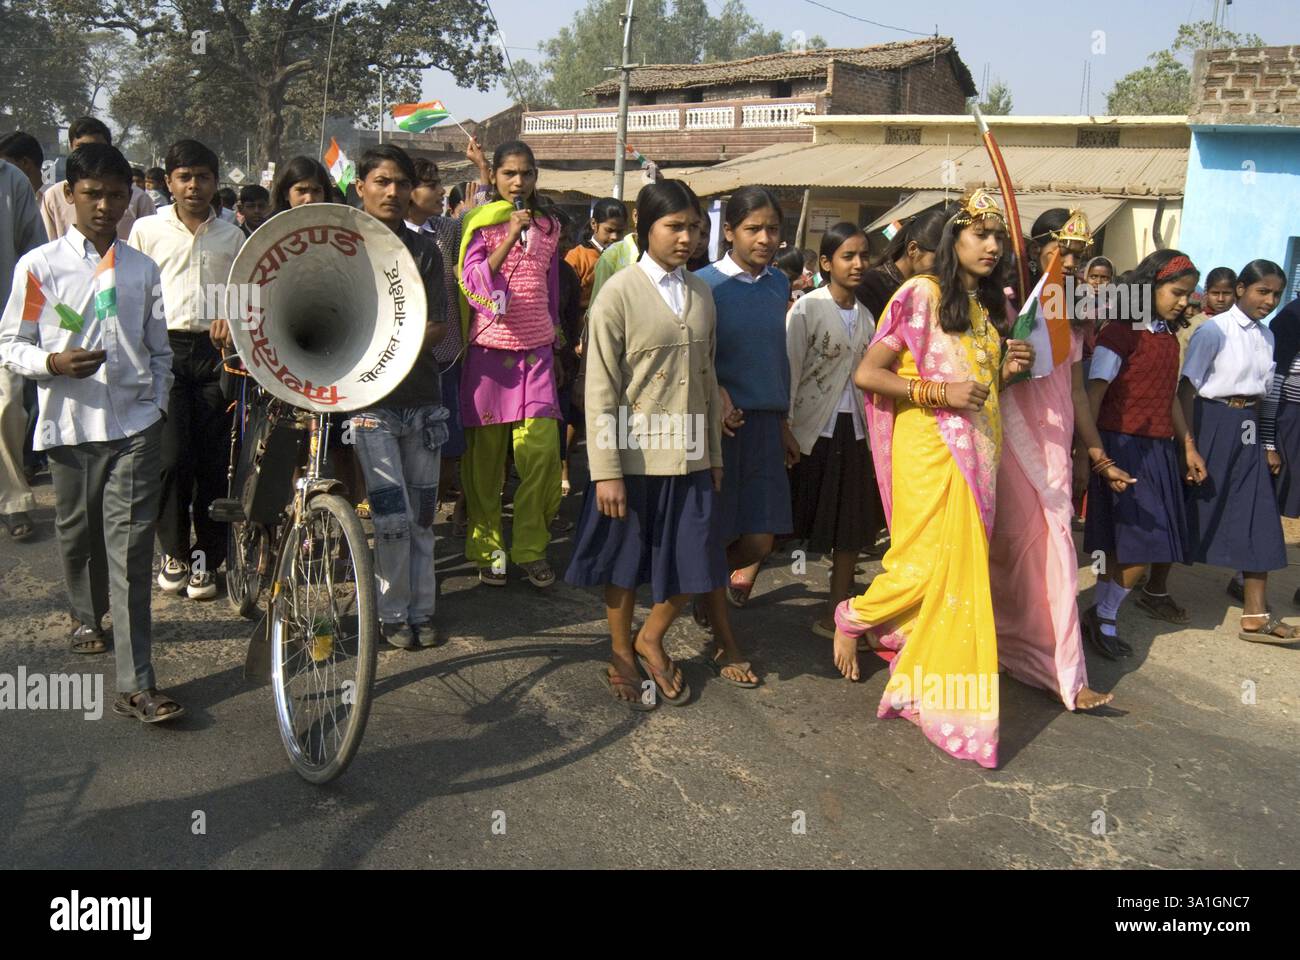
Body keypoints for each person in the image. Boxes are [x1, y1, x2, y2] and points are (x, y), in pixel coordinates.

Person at [832, 188, 1033, 769]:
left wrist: (1008, 370)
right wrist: (936, 391)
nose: (992, 246)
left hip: (978, 454)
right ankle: (856, 614)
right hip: (929, 448)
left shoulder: (987, 312)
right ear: (954, 240)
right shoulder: (922, 293)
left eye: (998, 236)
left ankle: (933, 678)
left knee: (959, 570)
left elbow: (984, 394)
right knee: (924, 561)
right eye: (980, 234)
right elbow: (869, 373)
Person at [0, 142, 182, 721]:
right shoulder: (41, 267)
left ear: (129, 199)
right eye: (92, 193)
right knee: (79, 538)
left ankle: (136, 684)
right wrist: (51, 364)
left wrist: (155, 404)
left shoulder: (141, 268)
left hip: (135, 427)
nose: (104, 205)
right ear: (69, 195)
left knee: (130, 550)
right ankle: (85, 614)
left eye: (115, 194)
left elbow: (160, 350)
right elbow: (11, 343)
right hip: (69, 427)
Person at [564, 180, 724, 707]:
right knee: (626, 560)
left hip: (691, 449)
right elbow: (601, 384)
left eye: (695, 228)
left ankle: (650, 637)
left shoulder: (700, 292)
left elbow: (705, 376)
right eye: (674, 226)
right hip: (633, 454)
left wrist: (713, 454)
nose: (687, 238)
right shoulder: (619, 293)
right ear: (644, 227)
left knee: (696, 556)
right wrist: (605, 469)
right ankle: (621, 651)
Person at [989, 209, 1119, 709]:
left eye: (1079, 255)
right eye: (1062, 251)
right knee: (1006, 552)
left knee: (1057, 551)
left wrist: (1094, 453)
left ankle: (1065, 674)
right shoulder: (1004, 304)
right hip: (1006, 442)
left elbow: (1077, 392)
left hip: (1053, 449)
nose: (1070, 261)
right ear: (1037, 248)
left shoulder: (1072, 310)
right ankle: (997, 643)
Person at [127, 138, 244, 600]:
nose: (194, 186)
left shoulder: (233, 236)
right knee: (172, 460)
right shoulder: (146, 231)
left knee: (214, 463)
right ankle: (174, 552)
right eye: (184, 177)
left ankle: (206, 560)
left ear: (216, 182)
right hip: (165, 352)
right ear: (168, 182)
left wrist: (231, 322)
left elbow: (245, 296)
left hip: (216, 355)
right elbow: (132, 293)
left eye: (203, 177)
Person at [349, 144, 450, 649]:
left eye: (401, 183)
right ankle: (392, 615)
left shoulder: (425, 251)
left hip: (423, 401)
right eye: (382, 181)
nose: (393, 192)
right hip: (370, 407)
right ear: (360, 185)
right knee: (389, 519)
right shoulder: (342, 245)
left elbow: (437, 326)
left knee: (423, 518)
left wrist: (392, 340)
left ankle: (422, 610)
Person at [692, 187, 792, 690]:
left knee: (761, 537)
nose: (765, 238)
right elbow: (694, 357)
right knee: (717, 535)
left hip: (767, 427)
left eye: (772, 228)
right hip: (720, 429)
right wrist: (721, 396)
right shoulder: (704, 285)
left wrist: (784, 421)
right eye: (753, 228)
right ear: (728, 231)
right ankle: (725, 642)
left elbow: (776, 358)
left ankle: (697, 585)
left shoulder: (780, 284)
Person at [1082, 250, 1204, 659]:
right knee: (1131, 545)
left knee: (1139, 544)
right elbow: (1093, 396)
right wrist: (1091, 456)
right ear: (1150, 286)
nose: (1184, 302)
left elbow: (1168, 399)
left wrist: (1187, 447)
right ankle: (1104, 618)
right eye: (1177, 292)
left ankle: (1102, 615)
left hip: (1157, 450)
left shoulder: (1168, 338)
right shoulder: (1120, 333)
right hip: (1120, 446)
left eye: (1188, 295)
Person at [456, 139, 563, 588]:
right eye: (509, 174)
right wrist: (507, 236)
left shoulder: (551, 226)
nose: (519, 181)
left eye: (527, 173)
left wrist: (557, 333)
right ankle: (488, 549)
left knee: (541, 455)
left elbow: (550, 285)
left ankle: (530, 547)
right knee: (486, 464)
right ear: (495, 178)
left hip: (537, 353)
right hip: (489, 354)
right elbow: (474, 282)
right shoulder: (480, 224)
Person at [1180, 259, 1296, 643]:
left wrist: (1265, 443)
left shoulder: (1267, 336)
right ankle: (1154, 586)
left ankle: (1255, 615)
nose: (1270, 300)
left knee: (1258, 512)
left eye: (1276, 294)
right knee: (1193, 502)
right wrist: (1189, 445)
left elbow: (1263, 395)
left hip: (1246, 425)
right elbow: (1186, 389)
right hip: (1209, 420)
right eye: (1263, 291)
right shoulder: (1214, 331)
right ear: (1242, 288)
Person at [785, 222, 877, 640]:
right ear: (825, 263)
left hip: (853, 431)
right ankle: (740, 577)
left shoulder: (867, 316)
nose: (858, 264)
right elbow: (791, 370)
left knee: (849, 525)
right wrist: (784, 426)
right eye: (848, 256)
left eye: (863, 256)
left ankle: (836, 613)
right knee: (786, 515)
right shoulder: (807, 309)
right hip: (809, 428)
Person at [407, 144, 492, 537]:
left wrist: (483, 170)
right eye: (431, 184)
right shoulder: (385, 234)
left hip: (447, 350)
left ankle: (439, 508)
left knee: (446, 439)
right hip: (400, 355)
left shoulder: (445, 229)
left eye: (440, 184)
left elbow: (481, 224)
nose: (440, 191)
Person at [0, 158, 46, 541]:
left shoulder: (10, 179)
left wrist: (34, 322)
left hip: (6, 320)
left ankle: (14, 501)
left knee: (7, 407)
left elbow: (34, 256)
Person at [41, 117, 155, 241]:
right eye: (81, 147)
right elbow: (47, 241)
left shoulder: (138, 198)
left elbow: (149, 242)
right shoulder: (53, 196)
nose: (104, 207)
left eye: (115, 196)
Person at [1261, 293, 1300, 606]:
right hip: (1290, 419)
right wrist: (1269, 440)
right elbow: (1275, 379)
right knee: (1272, 500)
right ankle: (1246, 578)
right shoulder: (1292, 317)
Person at [856, 206, 945, 318]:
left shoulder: (932, 288)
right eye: (939, 259)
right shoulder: (871, 286)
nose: (944, 267)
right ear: (913, 249)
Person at [564, 197, 628, 311]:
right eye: (609, 230)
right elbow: (567, 300)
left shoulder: (628, 256)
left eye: (620, 232)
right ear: (594, 224)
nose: (615, 237)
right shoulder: (577, 256)